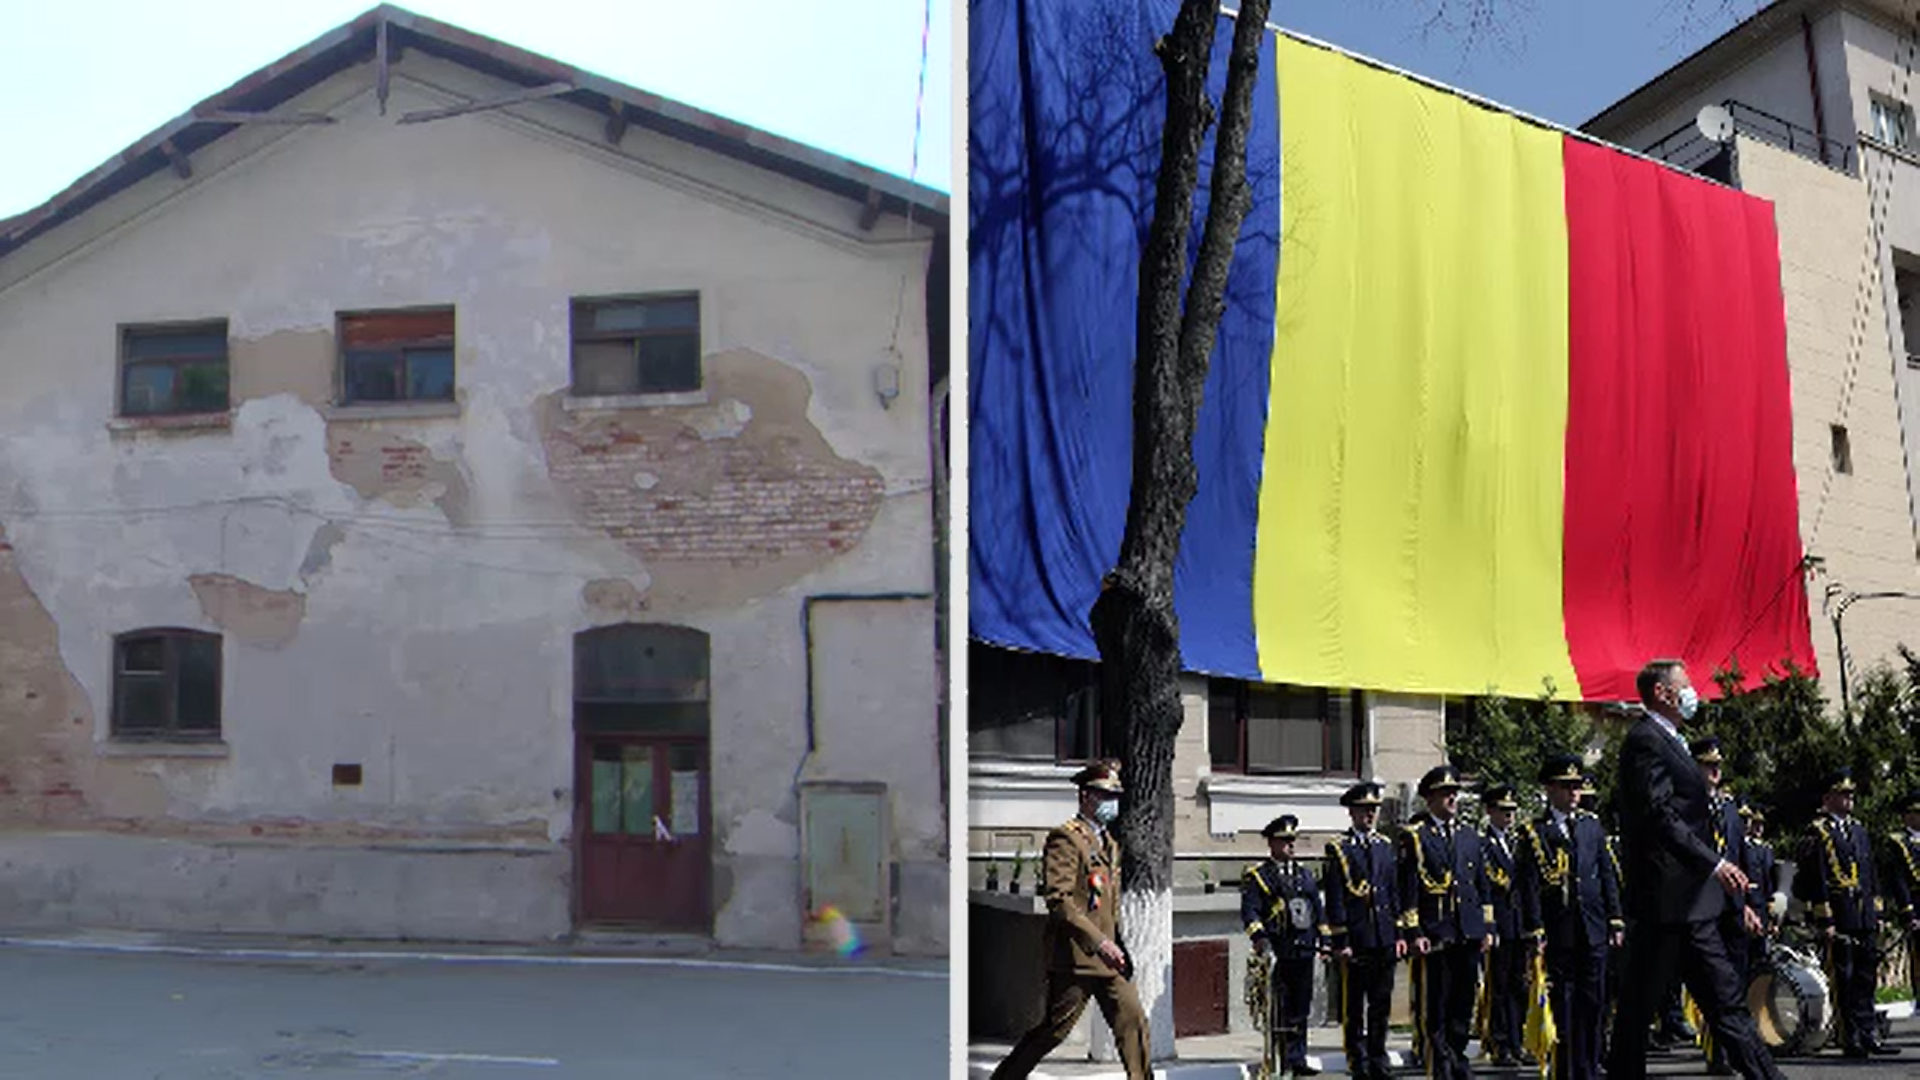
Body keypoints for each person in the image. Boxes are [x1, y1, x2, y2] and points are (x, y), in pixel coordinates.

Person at [1605, 659, 1782, 1080]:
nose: (1692, 693)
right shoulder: (1646, 741)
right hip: (1662, 905)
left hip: (1692, 906)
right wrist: (1715, 861)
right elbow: (1660, 816)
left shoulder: (1672, 740)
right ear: (1663, 693)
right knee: (1635, 1013)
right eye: (1684, 686)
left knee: (1727, 1004)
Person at [991, 760, 1150, 1080]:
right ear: (1084, 797)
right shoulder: (1066, 839)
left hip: (1109, 959)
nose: (1111, 803)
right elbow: (1059, 900)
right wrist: (1100, 942)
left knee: (1132, 1021)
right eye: (1104, 796)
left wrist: (1115, 944)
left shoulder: (1110, 844)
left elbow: (1107, 905)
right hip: (1076, 958)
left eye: (1115, 797)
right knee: (1054, 1030)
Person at [1517, 754, 1621, 1080]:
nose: (1574, 793)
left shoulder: (1590, 825)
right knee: (1563, 1005)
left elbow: (1605, 874)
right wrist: (1535, 930)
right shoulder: (1535, 832)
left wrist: (1615, 919)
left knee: (1593, 1006)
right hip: (1559, 931)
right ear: (1549, 789)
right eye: (1567, 787)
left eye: (1577, 786)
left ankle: (1589, 1068)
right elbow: (1529, 886)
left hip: (1592, 930)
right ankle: (1566, 1071)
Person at [1796, 768, 1900, 1059]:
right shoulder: (1818, 832)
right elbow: (1815, 879)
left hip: (1863, 913)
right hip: (1839, 915)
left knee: (1866, 976)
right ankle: (1848, 1034)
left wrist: (1878, 912)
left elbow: (1871, 874)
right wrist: (1824, 919)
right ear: (1828, 797)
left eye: (1851, 794)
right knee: (1844, 977)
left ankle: (1868, 1033)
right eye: (1843, 794)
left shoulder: (1858, 830)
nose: (1849, 798)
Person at [1397, 764, 1492, 1080]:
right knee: (1435, 1005)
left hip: (1467, 931)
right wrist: (1414, 931)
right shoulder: (1417, 836)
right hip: (1437, 933)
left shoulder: (1469, 835)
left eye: (1455, 793)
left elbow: (1481, 885)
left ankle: (1457, 1057)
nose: (1452, 798)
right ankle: (1439, 1065)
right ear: (1430, 798)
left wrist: (1487, 927)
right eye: (1445, 794)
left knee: (1463, 1003)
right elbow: (1409, 887)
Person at [1322, 781, 1403, 1080]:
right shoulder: (1340, 849)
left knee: (1381, 1004)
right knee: (1355, 1004)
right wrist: (1340, 939)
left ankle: (1378, 1057)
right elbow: (1336, 896)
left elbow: (1392, 892)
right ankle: (1357, 1058)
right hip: (1357, 938)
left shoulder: (1384, 846)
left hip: (1383, 935)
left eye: (1373, 810)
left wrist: (1398, 934)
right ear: (1352, 813)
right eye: (1363, 810)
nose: (1369, 815)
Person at [1692, 737, 1762, 1075]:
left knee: (1735, 984)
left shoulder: (1730, 807)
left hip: (1732, 907)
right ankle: (1715, 1053)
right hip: (1702, 907)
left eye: (1718, 764)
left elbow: (1742, 856)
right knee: (1712, 987)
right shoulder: (1687, 806)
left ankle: (1735, 1053)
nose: (1715, 770)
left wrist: (1750, 903)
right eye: (1708, 764)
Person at [1242, 814, 1322, 1077]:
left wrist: (1325, 940)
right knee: (1279, 1006)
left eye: (1292, 840)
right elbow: (1251, 912)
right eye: (1284, 840)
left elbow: (1316, 910)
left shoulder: (1304, 875)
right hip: (1278, 950)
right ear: (1272, 844)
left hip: (1303, 949)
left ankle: (1298, 1057)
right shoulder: (1259, 876)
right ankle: (1279, 1058)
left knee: (1301, 1006)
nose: (1290, 845)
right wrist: (1260, 939)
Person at [1480, 783, 1527, 1068]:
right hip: (1499, 924)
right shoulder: (1483, 845)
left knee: (1519, 986)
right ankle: (1500, 1043)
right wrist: (1489, 927)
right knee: (1499, 987)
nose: (1508, 816)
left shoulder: (1519, 844)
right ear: (1490, 812)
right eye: (1502, 810)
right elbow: (1487, 887)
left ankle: (1516, 1039)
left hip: (1519, 925)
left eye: (1511, 811)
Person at [1887, 790, 1920, 1005]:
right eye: (1916, 813)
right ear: (1906, 816)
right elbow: (1898, 880)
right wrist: (1908, 912)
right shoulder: (1899, 843)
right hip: (1917, 906)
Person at [1737, 804, 1777, 978]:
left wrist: (1773, 914)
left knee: (1761, 956)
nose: (1759, 828)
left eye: (1761, 825)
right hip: (1746, 905)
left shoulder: (1766, 849)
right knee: (1743, 956)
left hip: (1762, 907)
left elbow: (1770, 881)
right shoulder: (1741, 847)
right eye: (1755, 824)